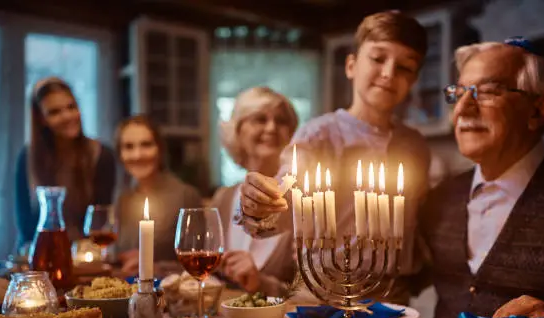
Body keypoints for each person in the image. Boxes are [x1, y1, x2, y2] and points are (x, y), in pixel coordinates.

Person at [235, 11, 431, 301]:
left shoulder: (415, 146)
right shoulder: (318, 136)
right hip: (323, 296)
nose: (389, 73)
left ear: (414, 80)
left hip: (393, 300)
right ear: (351, 65)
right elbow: (279, 209)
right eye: (378, 59)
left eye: (405, 67)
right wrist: (257, 204)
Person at [420, 37, 544, 318]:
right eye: (458, 93)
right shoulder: (439, 198)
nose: (463, 108)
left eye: (488, 92)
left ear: (537, 110)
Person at [212, 87, 298, 295]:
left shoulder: (303, 201)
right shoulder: (222, 199)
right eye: (260, 119)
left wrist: (260, 283)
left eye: (281, 121)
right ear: (238, 132)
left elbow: (311, 295)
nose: (271, 128)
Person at [15, 77, 116, 249]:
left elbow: (100, 219)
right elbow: (26, 225)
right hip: (38, 252)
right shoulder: (28, 156)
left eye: (71, 107)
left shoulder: (100, 154)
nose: (67, 116)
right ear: (41, 119)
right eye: (54, 112)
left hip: (83, 254)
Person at [113, 115, 202, 277]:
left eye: (146, 145)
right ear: (120, 154)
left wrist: (156, 268)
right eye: (128, 147)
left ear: (160, 149)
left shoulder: (185, 196)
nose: (137, 155)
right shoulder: (123, 198)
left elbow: (200, 263)